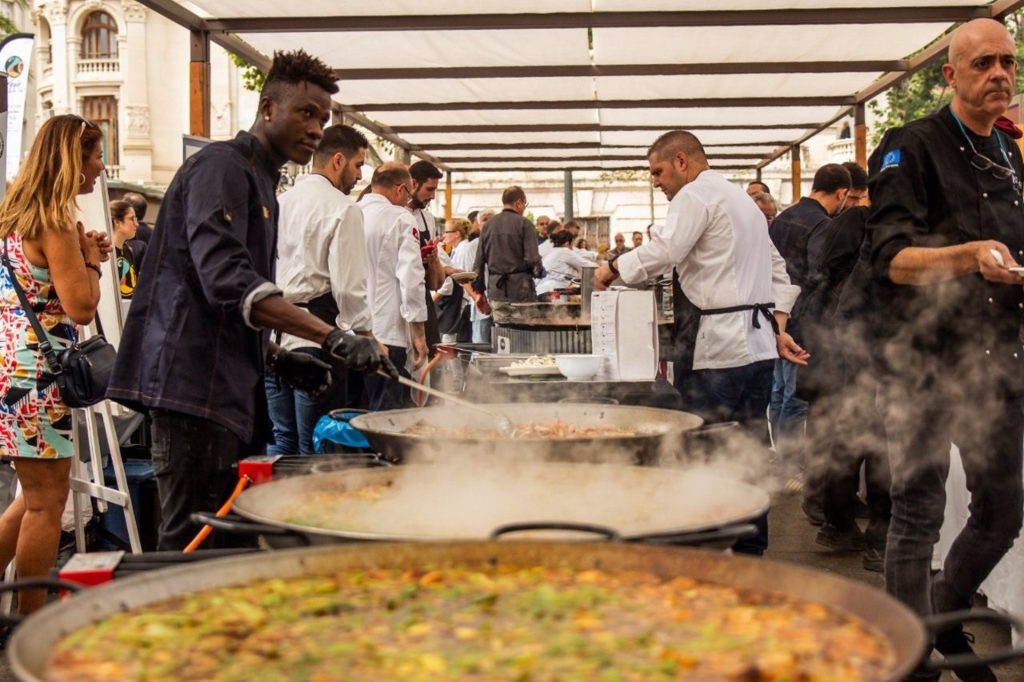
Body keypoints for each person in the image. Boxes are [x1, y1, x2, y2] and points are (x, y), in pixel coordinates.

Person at [106, 50, 387, 551]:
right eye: (305, 113)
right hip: (191, 389)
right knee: (193, 539)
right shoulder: (220, 167)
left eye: (322, 118)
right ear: (268, 109)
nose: (316, 128)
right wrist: (333, 336)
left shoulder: (263, 181)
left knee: (225, 536)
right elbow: (225, 279)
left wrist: (279, 359)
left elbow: (225, 300)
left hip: (226, 387)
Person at [864, 18, 1024, 681]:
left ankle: (946, 612)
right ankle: (913, 656)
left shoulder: (1011, 155)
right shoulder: (910, 145)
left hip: (997, 363)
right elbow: (891, 259)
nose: (999, 74)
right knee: (919, 509)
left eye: (1008, 62)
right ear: (950, 75)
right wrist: (969, 256)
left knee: (1003, 509)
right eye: (982, 63)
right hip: (923, 362)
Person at [595, 130, 805, 556]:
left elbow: (667, 249)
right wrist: (777, 326)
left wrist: (613, 268)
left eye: (658, 172)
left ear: (682, 161)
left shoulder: (695, 196)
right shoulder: (742, 201)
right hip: (759, 348)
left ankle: (709, 549)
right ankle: (750, 548)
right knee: (748, 449)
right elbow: (779, 271)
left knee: (707, 448)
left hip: (720, 351)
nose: (656, 182)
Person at [0, 114, 111, 614]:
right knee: (47, 506)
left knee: (30, 500)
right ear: (72, 159)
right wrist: (90, 260)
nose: (100, 167)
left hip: (13, 371)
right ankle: (29, 619)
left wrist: (86, 254)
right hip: (40, 381)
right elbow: (83, 308)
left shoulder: (12, 216)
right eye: (95, 156)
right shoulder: (56, 220)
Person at [266, 124, 373, 455]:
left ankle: (275, 507)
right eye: (358, 165)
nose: (359, 176)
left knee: (282, 443)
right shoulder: (343, 208)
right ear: (338, 160)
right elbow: (348, 289)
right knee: (318, 444)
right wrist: (367, 335)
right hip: (315, 338)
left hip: (272, 341)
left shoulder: (279, 202)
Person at [767, 163, 851, 524]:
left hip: (775, 316)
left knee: (779, 390)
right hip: (801, 317)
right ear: (842, 193)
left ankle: (779, 456)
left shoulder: (784, 217)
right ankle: (789, 465)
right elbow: (820, 274)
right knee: (796, 398)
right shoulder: (823, 225)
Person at [360, 163, 428, 411]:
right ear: (400, 190)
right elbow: (411, 277)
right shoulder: (400, 217)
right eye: (409, 194)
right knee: (385, 417)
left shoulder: (350, 211)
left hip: (349, 335)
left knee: (353, 417)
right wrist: (419, 333)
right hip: (387, 334)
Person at [473, 186, 542, 303]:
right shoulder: (525, 224)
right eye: (525, 204)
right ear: (519, 203)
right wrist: (539, 271)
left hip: (495, 291)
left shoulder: (488, 226)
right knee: (523, 321)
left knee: (500, 321)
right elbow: (532, 259)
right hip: (521, 291)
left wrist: (479, 292)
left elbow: (478, 262)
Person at [536, 230, 595, 299]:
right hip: (553, 290)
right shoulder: (564, 251)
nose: (573, 248)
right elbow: (587, 265)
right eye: (572, 244)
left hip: (541, 289)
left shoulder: (552, 251)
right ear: (567, 243)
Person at [109, 199, 145, 299]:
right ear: (117, 222)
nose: (136, 224)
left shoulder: (129, 250)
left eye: (136, 219)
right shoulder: (107, 252)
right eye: (132, 219)